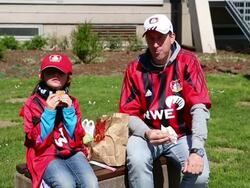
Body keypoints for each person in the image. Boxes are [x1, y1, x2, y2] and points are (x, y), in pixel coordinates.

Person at [119, 14, 211, 188]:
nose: (155, 44)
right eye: (150, 39)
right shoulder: (134, 68)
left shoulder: (188, 61)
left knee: (200, 175)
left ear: (172, 36)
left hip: (183, 135)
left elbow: (199, 107)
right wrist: (146, 132)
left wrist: (197, 150)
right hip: (147, 135)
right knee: (137, 160)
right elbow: (127, 113)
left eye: (160, 38)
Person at [20, 53, 99, 188]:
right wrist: (49, 112)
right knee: (65, 184)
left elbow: (76, 139)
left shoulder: (72, 102)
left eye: (60, 73)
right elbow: (38, 142)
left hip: (72, 152)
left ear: (68, 78)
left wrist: (69, 112)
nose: (55, 75)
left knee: (91, 183)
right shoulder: (32, 103)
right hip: (44, 155)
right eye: (50, 72)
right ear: (41, 75)